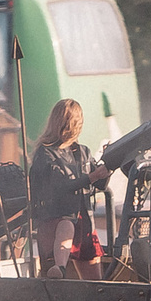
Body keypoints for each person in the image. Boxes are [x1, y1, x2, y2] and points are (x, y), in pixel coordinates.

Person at [31, 99, 106, 276]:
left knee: (95, 282)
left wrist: (108, 166)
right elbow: (59, 186)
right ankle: (60, 269)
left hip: (84, 221)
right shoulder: (46, 153)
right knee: (53, 281)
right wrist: (92, 176)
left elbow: (100, 184)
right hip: (55, 220)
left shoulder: (83, 152)